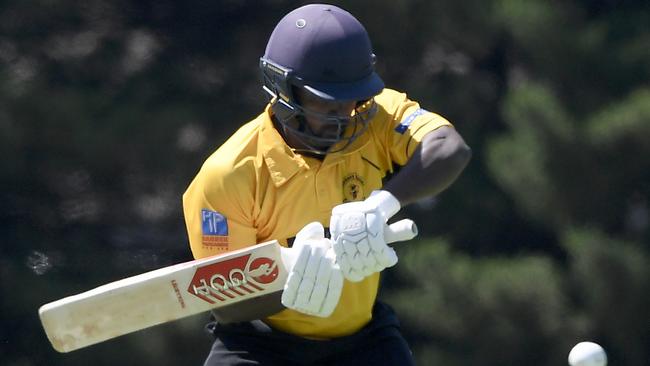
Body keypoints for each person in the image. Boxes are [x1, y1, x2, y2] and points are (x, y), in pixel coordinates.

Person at [182, 4, 471, 365]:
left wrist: (382, 203)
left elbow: (450, 149)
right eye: (329, 104)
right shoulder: (228, 174)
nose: (347, 120)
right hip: (259, 345)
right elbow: (227, 305)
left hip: (363, 341)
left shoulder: (376, 115)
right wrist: (292, 279)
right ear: (284, 90)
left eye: (354, 101)